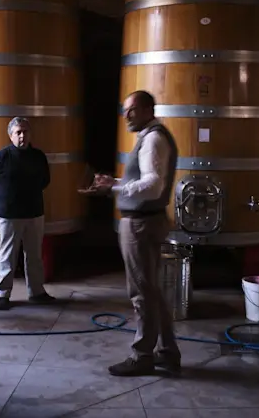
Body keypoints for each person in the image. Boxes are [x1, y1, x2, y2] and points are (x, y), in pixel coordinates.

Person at [91, 90, 182, 377]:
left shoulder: (153, 138)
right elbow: (143, 180)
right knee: (152, 290)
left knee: (141, 292)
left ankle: (142, 355)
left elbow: (153, 184)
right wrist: (116, 182)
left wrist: (115, 188)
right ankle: (167, 352)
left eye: (131, 110)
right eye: (124, 110)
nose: (126, 116)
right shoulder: (152, 135)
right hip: (148, 221)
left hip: (141, 224)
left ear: (146, 110)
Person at [0, 116, 54, 311]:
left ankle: (37, 292)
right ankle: (3, 294)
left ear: (30, 134)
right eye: (18, 132)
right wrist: (5, 195)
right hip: (9, 215)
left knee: (34, 255)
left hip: (34, 213)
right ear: (11, 135)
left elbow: (46, 180)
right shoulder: (1, 157)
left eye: (25, 131)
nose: (22, 135)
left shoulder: (38, 156)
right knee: (7, 255)